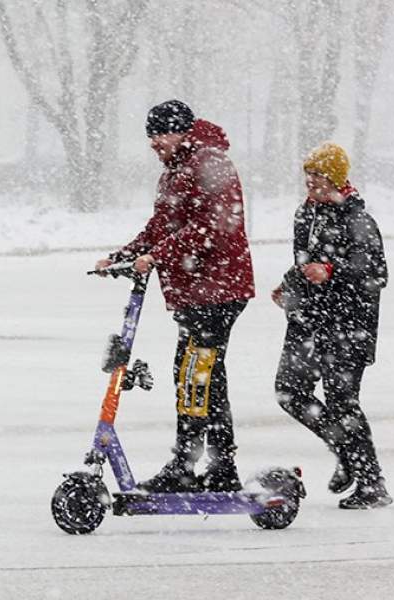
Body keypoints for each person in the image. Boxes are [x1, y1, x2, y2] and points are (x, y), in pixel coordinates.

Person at [95, 100, 255, 492]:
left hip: (217, 288)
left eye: (160, 134)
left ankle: (193, 464)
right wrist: (122, 255)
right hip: (195, 292)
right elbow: (161, 225)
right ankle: (215, 464)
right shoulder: (175, 171)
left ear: (182, 131)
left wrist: (157, 256)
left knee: (196, 374)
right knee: (199, 374)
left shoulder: (210, 163)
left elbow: (210, 227)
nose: (154, 143)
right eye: (150, 136)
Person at [272, 143, 392, 509]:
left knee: (343, 402)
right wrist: (290, 284)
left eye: (319, 175)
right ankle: (345, 450)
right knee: (289, 391)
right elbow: (304, 261)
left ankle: (371, 484)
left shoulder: (357, 219)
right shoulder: (305, 214)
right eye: (308, 174)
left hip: (347, 324)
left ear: (337, 179)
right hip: (308, 320)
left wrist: (332, 271)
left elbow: (376, 272)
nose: (311, 181)